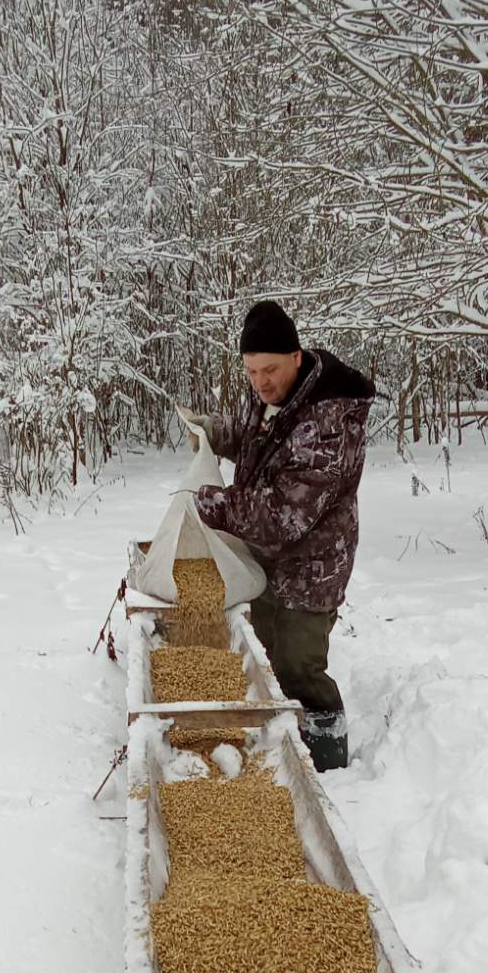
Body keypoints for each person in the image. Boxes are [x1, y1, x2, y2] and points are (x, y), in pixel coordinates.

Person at [185, 299, 374, 772]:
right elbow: (260, 446)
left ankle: (329, 769)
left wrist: (211, 504)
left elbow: (284, 514)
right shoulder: (277, 396)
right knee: (267, 657)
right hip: (267, 560)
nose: (260, 382)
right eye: (250, 372)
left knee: (300, 669)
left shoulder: (329, 422)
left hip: (311, 568)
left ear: (296, 355)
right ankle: (283, 760)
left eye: (268, 369)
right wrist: (216, 433)